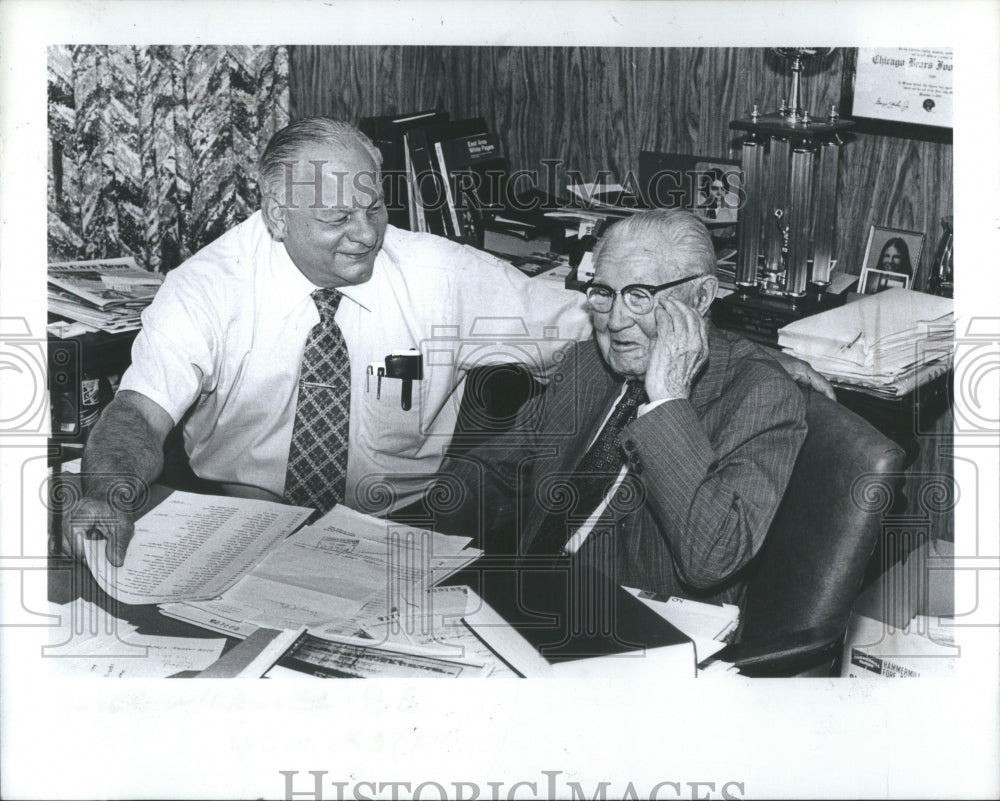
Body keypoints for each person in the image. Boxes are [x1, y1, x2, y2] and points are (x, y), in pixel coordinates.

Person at [66, 118, 829, 567]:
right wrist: (106, 494)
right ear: (274, 214)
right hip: (242, 518)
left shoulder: (435, 273)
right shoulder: (209, 286)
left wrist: (758, 354)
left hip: (398, 529)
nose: (366, 235)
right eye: (336, 220)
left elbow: (598, 316)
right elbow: (139, 414)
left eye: (374, 206)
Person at [430, 209, 808, 606]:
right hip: (530, 602)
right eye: (605, 293)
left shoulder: (761, 397)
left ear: (700, 297)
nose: (615, 320)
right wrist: (413, 548)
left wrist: (667, 401)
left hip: (640, 630)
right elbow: (491, 473)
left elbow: (711, 558)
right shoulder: (587, 365)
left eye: (640, 296)